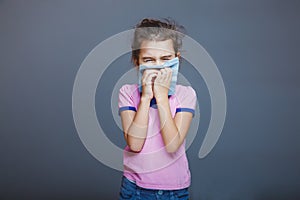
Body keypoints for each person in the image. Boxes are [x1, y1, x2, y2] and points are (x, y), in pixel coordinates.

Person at [118, 18, 197, 200]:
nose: (159, 66)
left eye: (166, 59)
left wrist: (161, 98)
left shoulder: (186, 94)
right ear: (137, 62)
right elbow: (135, 145)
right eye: (149, 60)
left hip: (174, 190)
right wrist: (145, 98)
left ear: (176, 59)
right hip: (134, 188)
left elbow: (172, 144)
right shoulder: (127, 93)